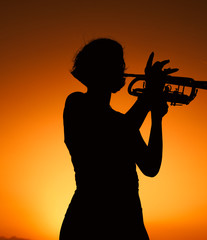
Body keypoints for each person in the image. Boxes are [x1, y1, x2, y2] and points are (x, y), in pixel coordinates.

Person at [60, 38, 177, 240]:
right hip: (89, 222)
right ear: (100, 68)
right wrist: (148, 97)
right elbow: (112, 137)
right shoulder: (76, 103)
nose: (123, 69)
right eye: (118, 63)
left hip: (130, 223)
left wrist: (156, 119)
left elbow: (151, 166)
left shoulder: (122, 121)